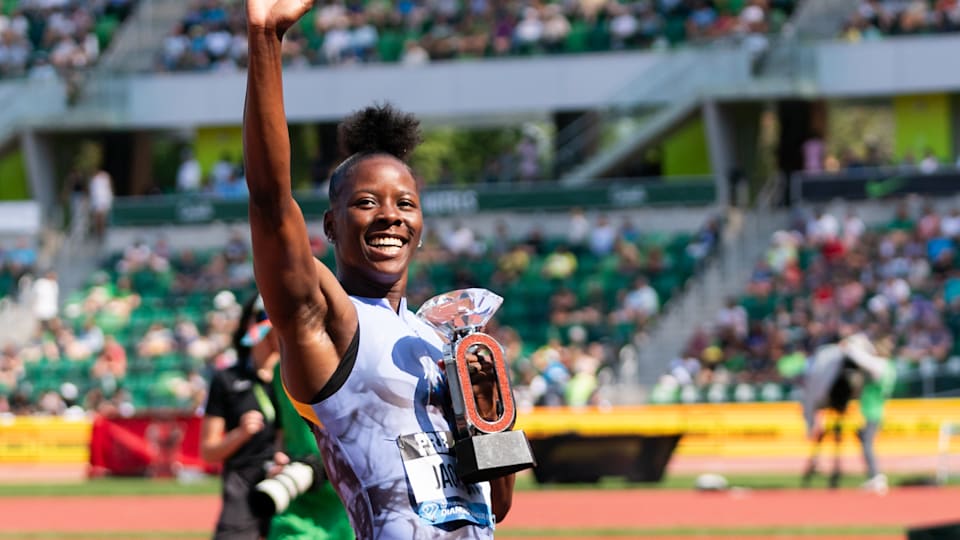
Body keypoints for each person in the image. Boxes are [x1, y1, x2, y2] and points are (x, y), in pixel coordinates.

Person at [242, 0, 516, 536]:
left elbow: (495, 504)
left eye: (405, 204)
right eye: (366, 202)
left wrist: (486, 411)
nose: (389, 215)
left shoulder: (443, 338)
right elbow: (270, 201)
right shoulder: (328, 322)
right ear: (330, 224)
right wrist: (265, 40)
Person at [201, 295, 285, 539]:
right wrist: (240, 434)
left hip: (289, 482)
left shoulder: (296, 382)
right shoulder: (226, 380)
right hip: (242, 487)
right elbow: (209, 451)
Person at [801, 332, 895, 493]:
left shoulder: (879, 365)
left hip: (870, 412)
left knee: (867, 445)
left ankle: (876, 477)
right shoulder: (890, 368)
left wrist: (847, 346)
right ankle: (874, 476)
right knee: (864, 440)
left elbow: (861, 358)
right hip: (874, 411)